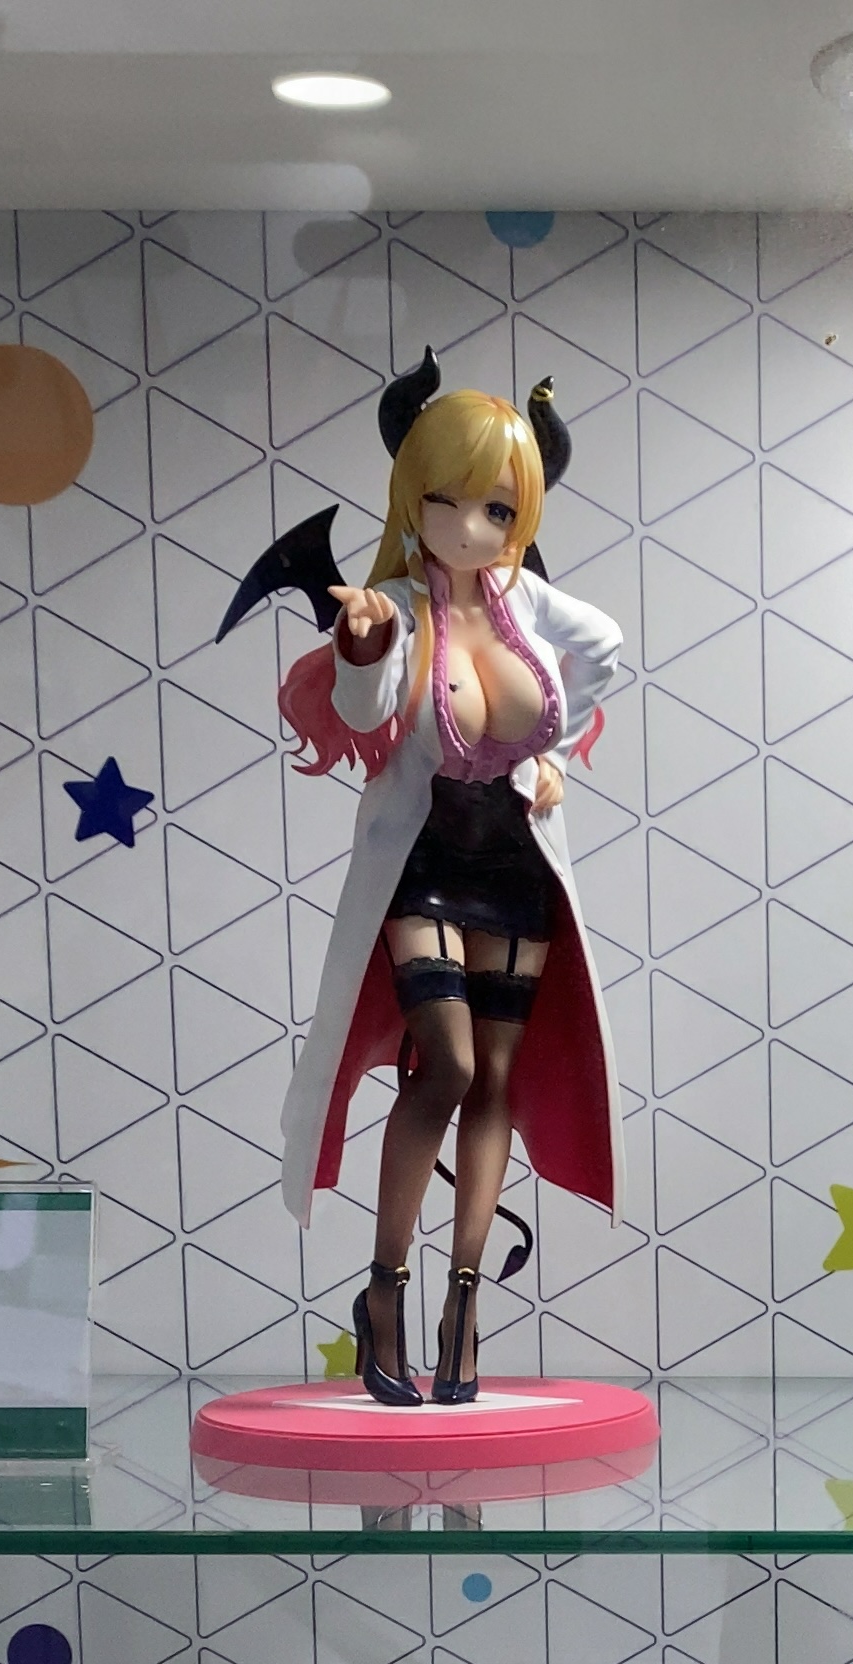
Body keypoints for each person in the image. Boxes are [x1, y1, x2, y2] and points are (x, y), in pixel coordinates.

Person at [268, 354, 630, 1403]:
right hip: (423, 861)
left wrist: (550, 757)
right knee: (450, 1064)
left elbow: (604, 648)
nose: (470, 527)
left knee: (499, 1077)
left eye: (498, 508)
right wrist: (364, 644)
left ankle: (463, 1305)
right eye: (447, 501)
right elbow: (371, 709)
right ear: (411, 496)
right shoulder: (392, 603)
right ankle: (384, 1286)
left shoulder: (530, 603)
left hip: (514, 861)